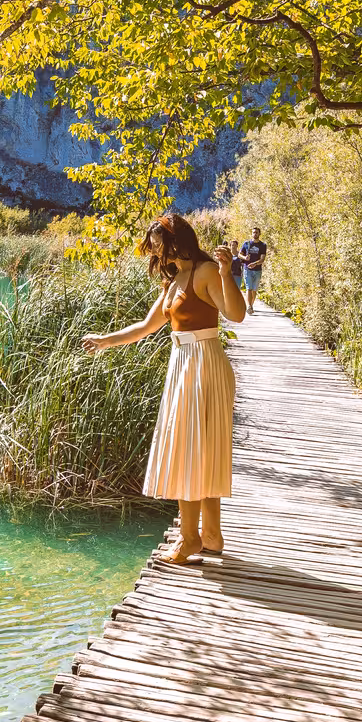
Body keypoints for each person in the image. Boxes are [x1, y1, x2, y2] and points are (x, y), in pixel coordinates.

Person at [82, 211, 246, 564]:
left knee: (192, 449)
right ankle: (212, 536)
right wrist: (104, 341)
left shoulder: (203, 273)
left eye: (160, 246)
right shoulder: (174, 281)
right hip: (184, 363)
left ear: (177, 241)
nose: (156, 254)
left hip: (204, 363)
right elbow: (145, 327)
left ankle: (190, 540)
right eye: (154, 248)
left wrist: (226, 273)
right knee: (201, 449)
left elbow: (236, 314)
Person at [237, 225, 268, 313]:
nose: (255, 234)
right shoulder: (246, 244)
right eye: (253, 232)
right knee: (248, 288)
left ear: (259, 234)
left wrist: (255, 263)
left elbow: (262, 259)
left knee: (254, 290)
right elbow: (239, 254)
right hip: (247, 269)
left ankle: (251, 305)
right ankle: (249, 306)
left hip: (258, 270)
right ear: (251, 233)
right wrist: (244, 258)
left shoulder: (263, 245)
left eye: (256, 232)